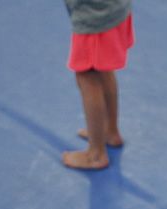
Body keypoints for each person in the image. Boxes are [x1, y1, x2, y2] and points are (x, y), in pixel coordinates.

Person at [61, 0, 133, 171]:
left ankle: (96, 154)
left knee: (87, 76)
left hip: (95, 17)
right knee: (103, 68)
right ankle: (110, 130)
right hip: (114, 9)